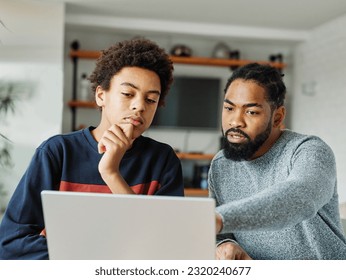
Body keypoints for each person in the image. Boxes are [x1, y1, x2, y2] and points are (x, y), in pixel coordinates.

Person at [0, 38, 184, 259]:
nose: (139, 106)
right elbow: (11, 243)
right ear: (100, 95)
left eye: (151, 99)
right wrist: (101, 256)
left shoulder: (163, 160)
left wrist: (111, 173)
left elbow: (167, 247)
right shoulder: (57, 152)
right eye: (128, 94)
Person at [210, 63, 346, 260]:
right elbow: (221, 233)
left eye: (251, 112)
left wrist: (222, 218)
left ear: (278, 117)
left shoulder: (309, 151)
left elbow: (299, 196)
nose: (235, 121)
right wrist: (226, 243)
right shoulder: (221, 164)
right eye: (229, 108)